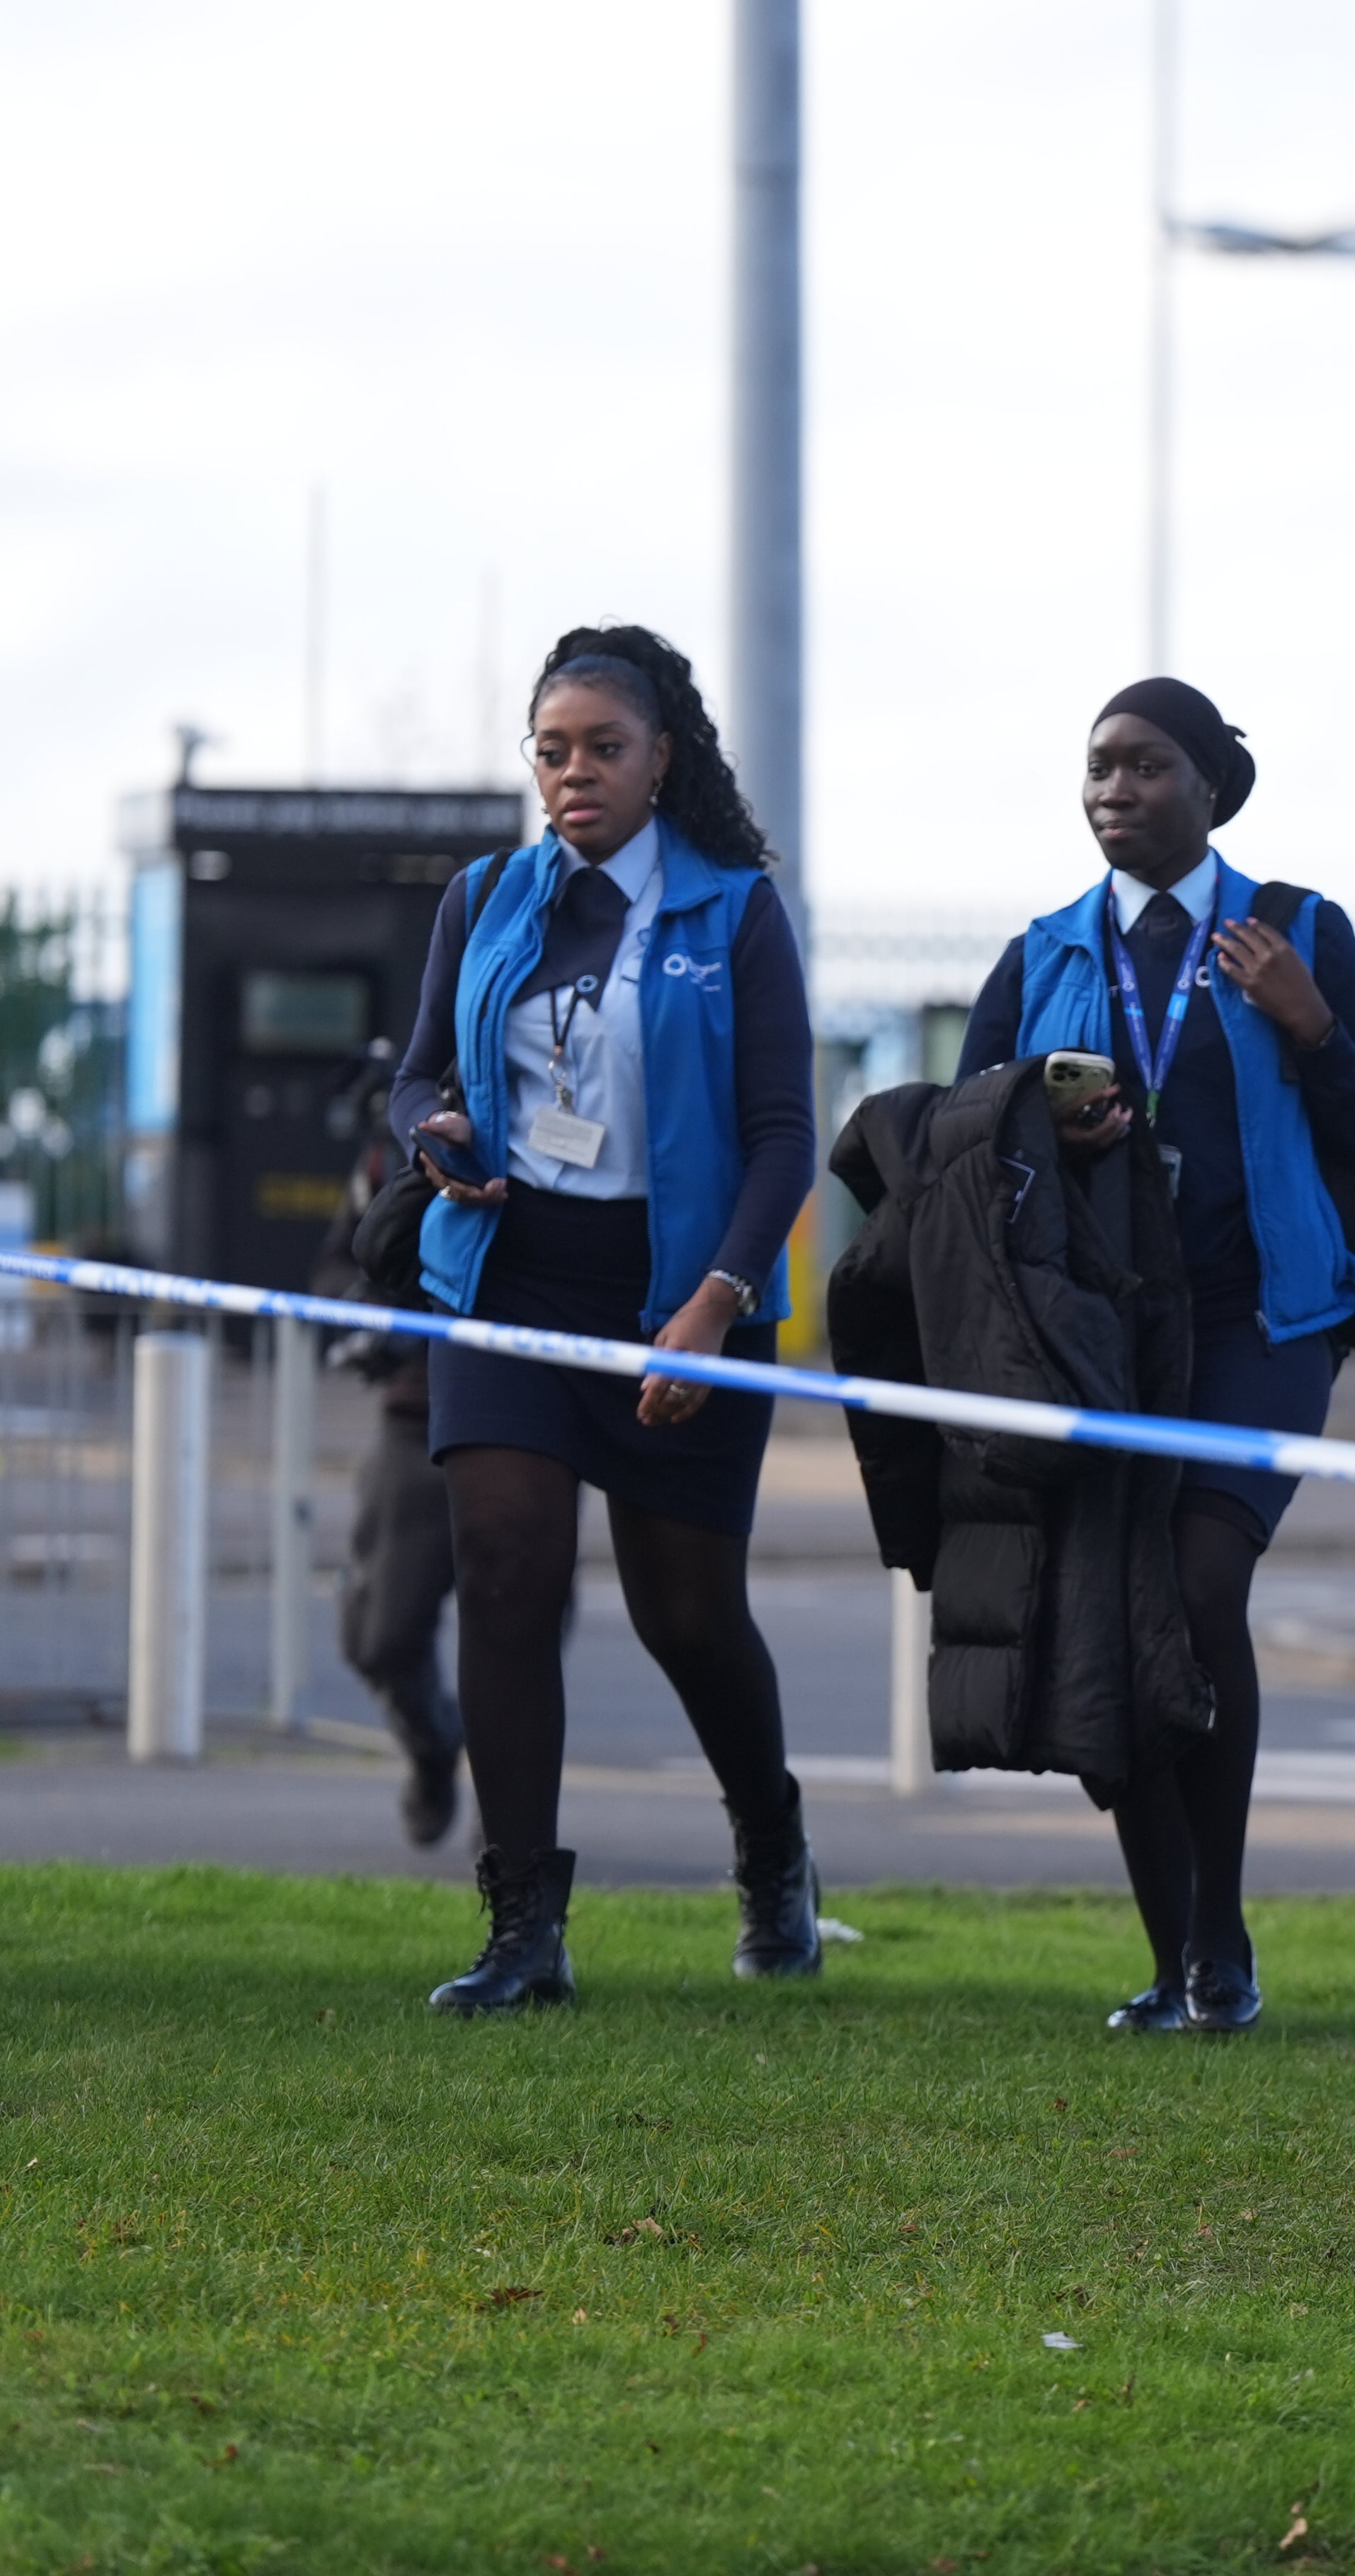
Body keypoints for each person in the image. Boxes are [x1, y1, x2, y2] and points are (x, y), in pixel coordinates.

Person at [954, 677, 1355, 2036]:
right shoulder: (1043, 951)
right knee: (1116, 1612)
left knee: (1198, 1586)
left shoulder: (1299, 932)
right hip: (1098, 1337)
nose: (1114, 788)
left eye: (1146, 765)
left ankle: (1220, 1938)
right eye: (1098, 766)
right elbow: (948, 1138)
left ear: (1211, 785)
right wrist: (1038, 1123)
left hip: (1257, 1325)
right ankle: (1174, 1958)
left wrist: (1310, 1024)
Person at [392, 626, 821, 2013]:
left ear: (662, 760)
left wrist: (715, 1301)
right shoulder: (485, 896)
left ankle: (771, 1842)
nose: (573, 775)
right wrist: (435, 1132)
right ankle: (525, 1925)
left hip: (680, 1303)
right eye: (552, 750)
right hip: (511, 1284)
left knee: (685, 1615)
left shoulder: (734, 908)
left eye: (604, 748)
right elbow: (410, 1083)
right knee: (506, 1566)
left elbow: (779, 1137)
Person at [314, 1037, 462, 1845]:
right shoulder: (386, 1156)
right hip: (411, 1421)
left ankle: (516, 1838)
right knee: (376, 1635)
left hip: (521, 1411)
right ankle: (433, 1749)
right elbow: (333, 1268)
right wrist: (377, 1319)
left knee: (514, 1633)